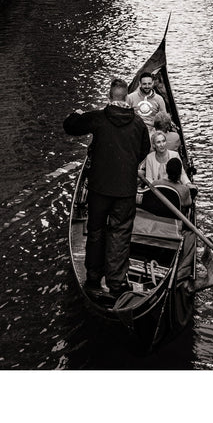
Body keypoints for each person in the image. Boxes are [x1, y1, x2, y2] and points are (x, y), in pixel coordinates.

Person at [63, 78, 151, 297]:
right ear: (127, 98)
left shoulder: (98, 118)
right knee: (120, 234)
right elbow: (144, 152)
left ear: (110, 97)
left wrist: (76, 113)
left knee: (96, 231)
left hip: (99, 189)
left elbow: (70, 126)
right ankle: (117, 283)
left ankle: (93, 279)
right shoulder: (139, 123)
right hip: (125, 191)